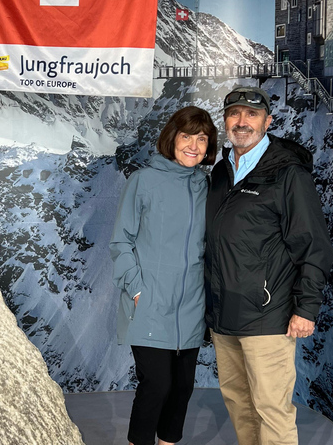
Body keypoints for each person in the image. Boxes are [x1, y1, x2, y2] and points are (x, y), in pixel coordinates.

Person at [204, 86, 333, 445]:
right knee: (239, 405)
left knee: (272, 410)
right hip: (224, 318)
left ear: (267, 122)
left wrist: (306, 307)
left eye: (252, 115)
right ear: (225, 121)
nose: (241, 122)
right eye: (234, 114)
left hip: (267, 317)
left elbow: (314, 245)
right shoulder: (219, 175)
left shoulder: (287, 175)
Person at [110, 105, 218, 445]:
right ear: (172, 138)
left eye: (202, 138)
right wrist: (137, 288)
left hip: (190, 305)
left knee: (183, 387)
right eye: (187, 136)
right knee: (157, 384)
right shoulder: (143, 181)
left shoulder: (207, 186)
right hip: (150, 301)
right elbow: (120, 241)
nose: (194, 146)